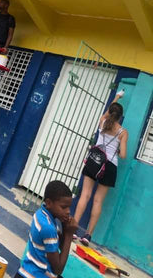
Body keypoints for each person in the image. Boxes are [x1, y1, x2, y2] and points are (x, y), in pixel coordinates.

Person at [73, 92, 128, 245]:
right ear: (120, 117)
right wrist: (116, 150)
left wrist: (117, 97)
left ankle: (73, 229)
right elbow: (123, 155)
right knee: (98, 201)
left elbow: (106, 114)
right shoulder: (123, 132)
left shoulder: (103, 123)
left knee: (85, 195)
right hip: (109, 166)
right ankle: (87, 236)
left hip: (94, 161)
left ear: (110, 113)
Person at [15, 180, 78, 278]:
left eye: (69, 207)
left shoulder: (41, 214)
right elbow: (58, 269)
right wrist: (69, 235)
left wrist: (65, 228)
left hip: (27, 271)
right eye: (64, 207)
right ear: (49, 203)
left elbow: (59, 245)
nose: (68, 211)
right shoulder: (48, 228)